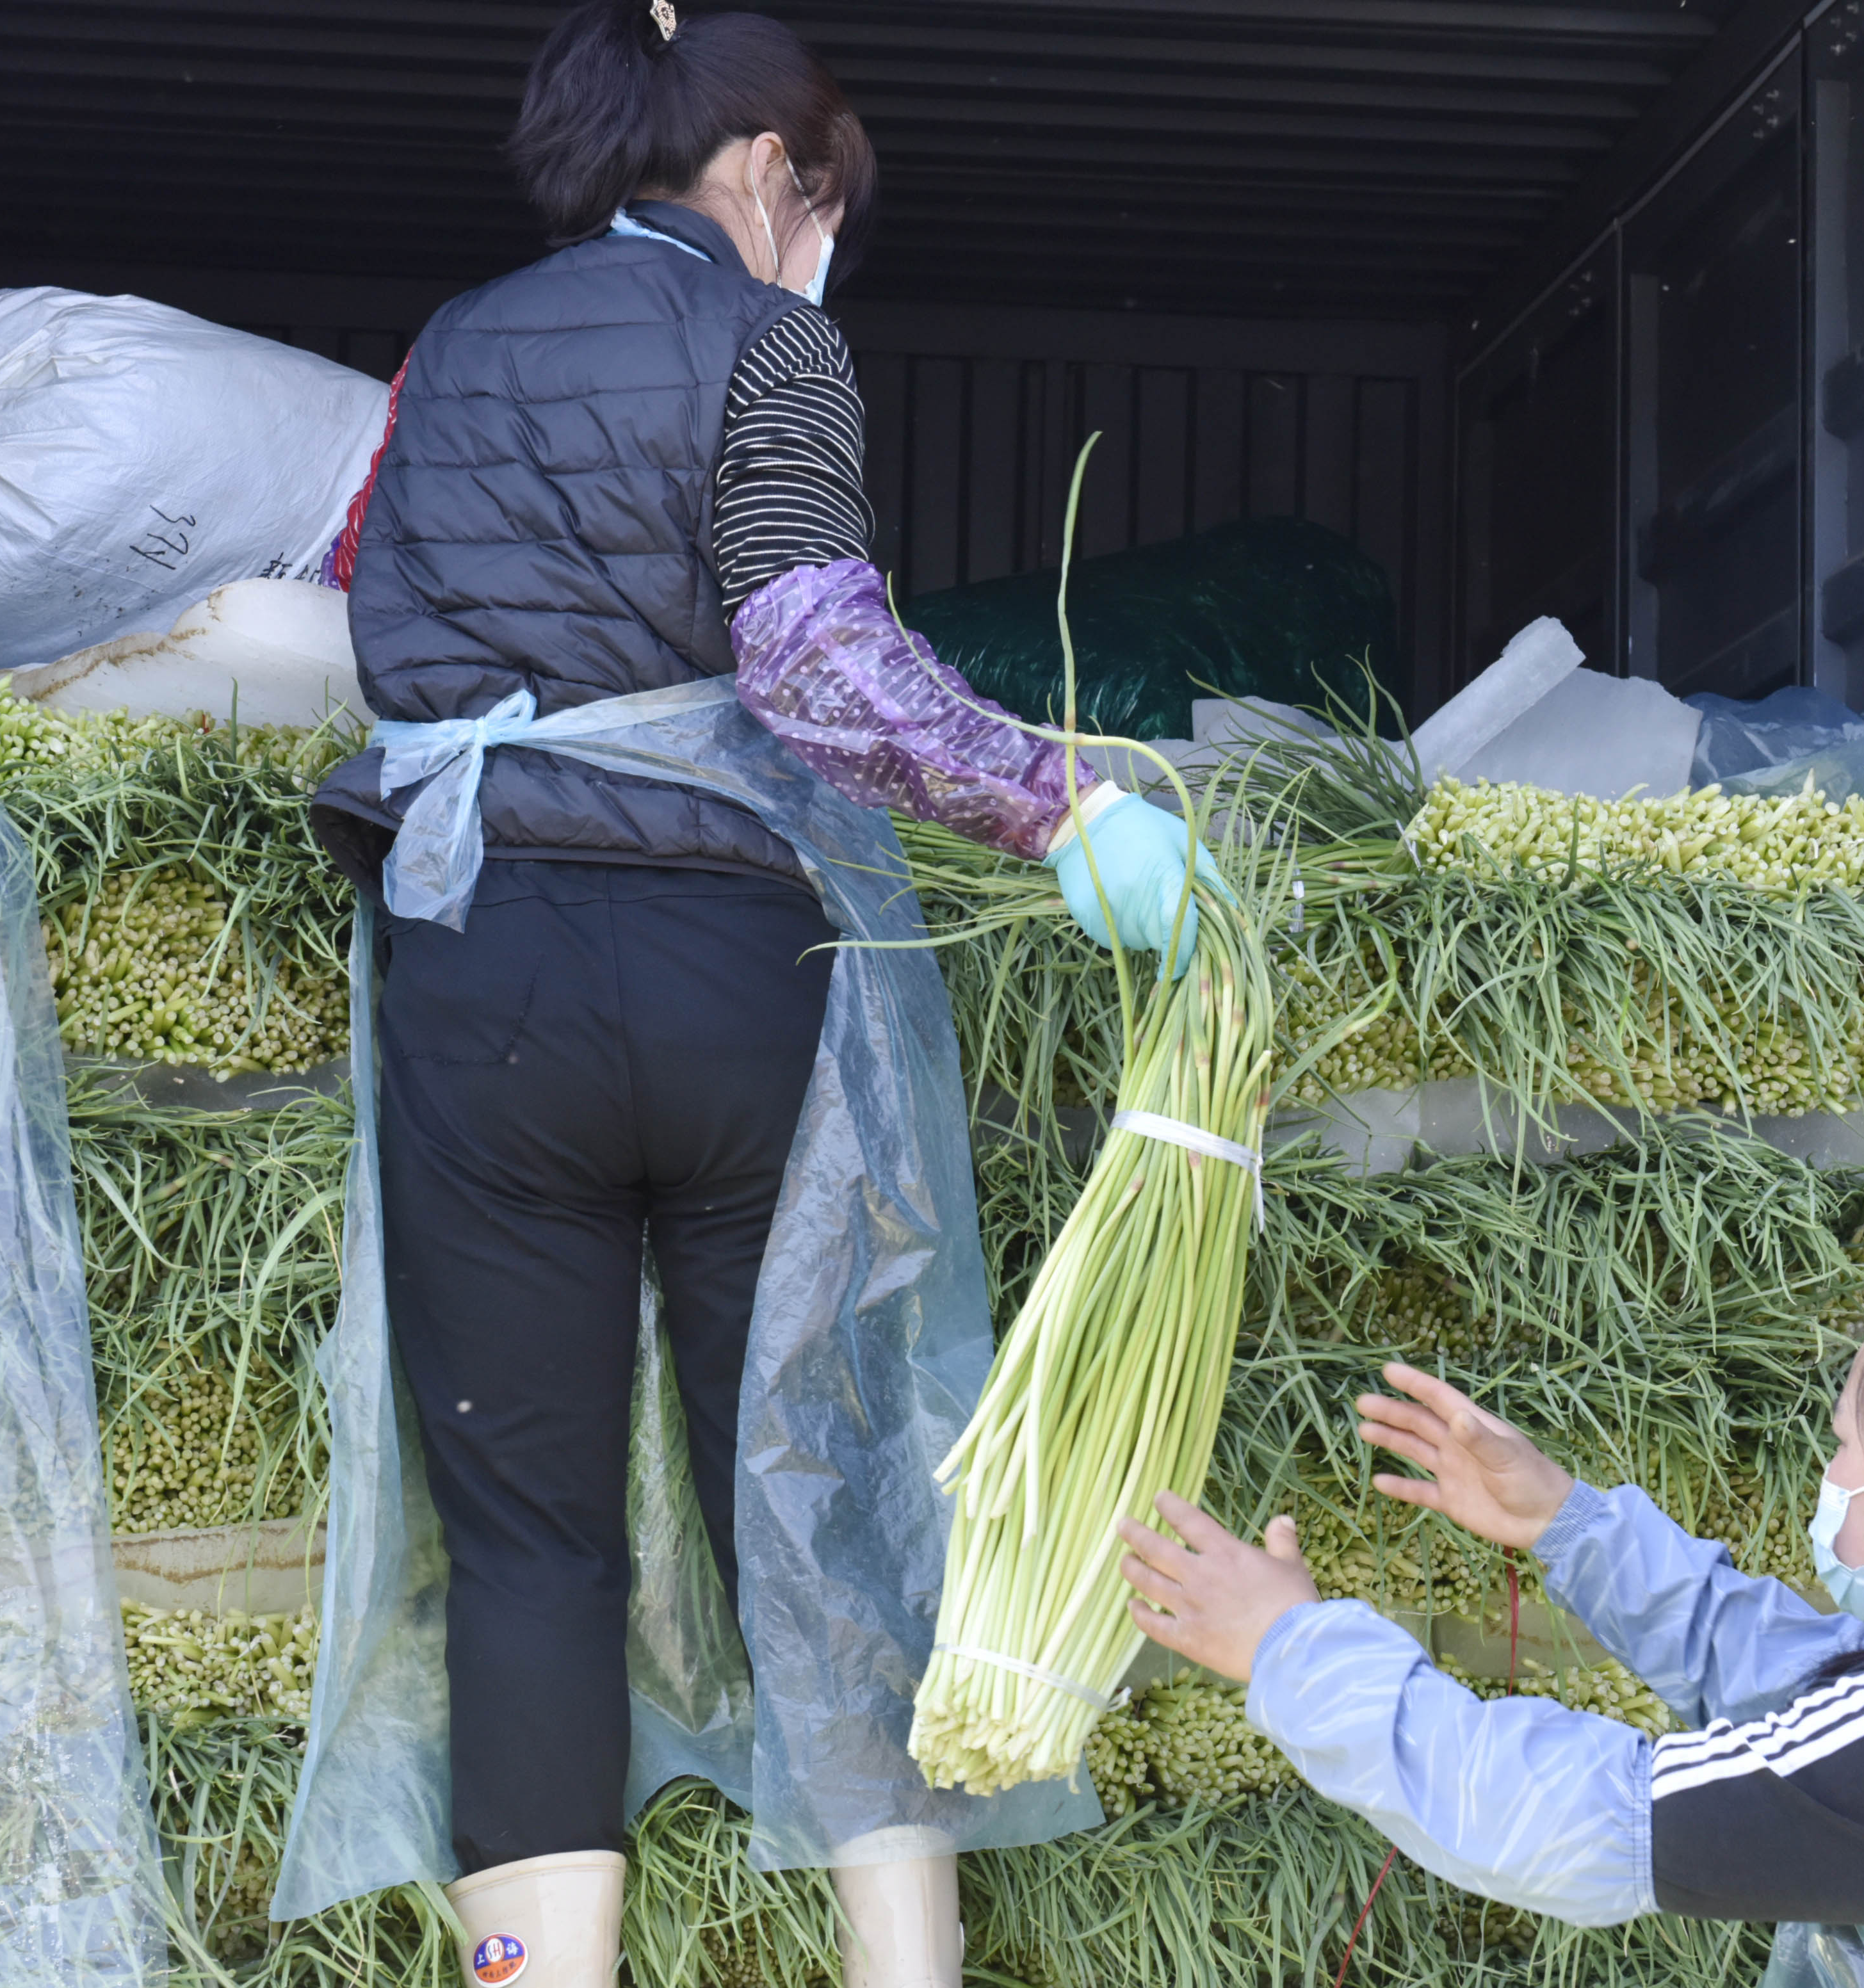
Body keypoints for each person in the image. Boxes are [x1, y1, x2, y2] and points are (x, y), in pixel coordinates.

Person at [307, 4, 1215, 1983]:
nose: (829, 250)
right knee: (811, 1495)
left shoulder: (456, 341)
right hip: (732, 974)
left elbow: (356, 589)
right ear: (772, 178)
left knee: (534, 1541)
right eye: (833, 207)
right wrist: (1061, 808)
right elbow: (810, 656)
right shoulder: (770, 339)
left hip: (488, 969)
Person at [1115, 1266, 1864, 1985]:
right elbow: (1809, 1683)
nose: (1829, 1473)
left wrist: (1290, 1648)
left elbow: (1567, 1816)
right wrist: (1568, 1522)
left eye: (1846, 1442)